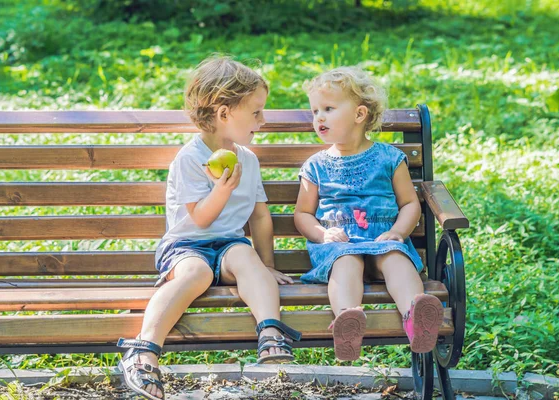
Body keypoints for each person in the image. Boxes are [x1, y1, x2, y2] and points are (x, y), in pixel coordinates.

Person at [117, 56, 301, 400]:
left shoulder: (247, 158)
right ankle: (143, 351)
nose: (263, 120)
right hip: (187, 247)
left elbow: (259, 217)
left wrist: (268, 265)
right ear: (224, 113)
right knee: (196, 275)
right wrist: (222, 190)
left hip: (230, 244)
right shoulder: (190, 158)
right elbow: (199, 219)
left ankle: (271, 332)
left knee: (249, 261)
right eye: (256, 112)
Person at [294, 66, 443, 361]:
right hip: (341, 247)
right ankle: (348, 321)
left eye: (328, 109)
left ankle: (417, 315)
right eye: (314, 111)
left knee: (395, 259)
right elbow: (303, 214)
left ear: (359, 115)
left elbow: (410, 203)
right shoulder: (316, 165)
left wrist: (399, 232)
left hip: (382, 240)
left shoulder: (389, 158)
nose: (318, 117)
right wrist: (323, 234)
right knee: (347, 262)